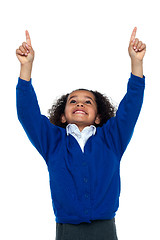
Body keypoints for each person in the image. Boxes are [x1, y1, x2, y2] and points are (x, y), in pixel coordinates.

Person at [16, 27, 146, 240]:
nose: (80, 104)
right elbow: (26, 113)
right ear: (63, 116)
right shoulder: (53, 142)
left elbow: (131, 106)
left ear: (98, 117)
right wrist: (26, 66)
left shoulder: (112, 138)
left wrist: (137, 63)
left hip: (105, 227)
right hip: (67, 228)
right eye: (73, 101)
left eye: (88, 102)